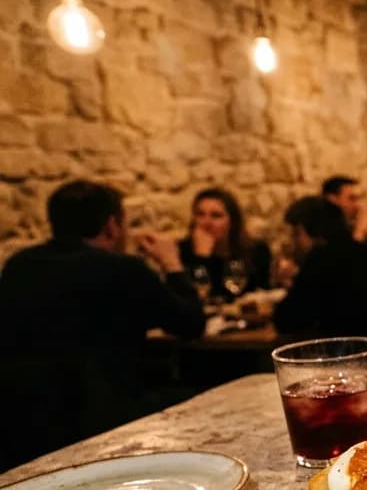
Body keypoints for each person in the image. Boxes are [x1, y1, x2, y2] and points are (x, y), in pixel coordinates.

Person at [0, 180, 205, 470]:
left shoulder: (19, 265)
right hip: (108, 416)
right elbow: (191, 324)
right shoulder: (121, 269)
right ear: (111, 225)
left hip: (25, 424)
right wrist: (172, 264)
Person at [274, 197, 367, 369]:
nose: (294, 242)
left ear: (313, 232)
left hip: (346, 365)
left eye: (296, 234)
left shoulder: (319, 259)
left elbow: (285, 319)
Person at [179, 187, 272, 301]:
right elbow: (188, 298)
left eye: (216, 216)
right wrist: (202, 259)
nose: (206, 222)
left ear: (232, 222)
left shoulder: (256, 250)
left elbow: (262, 295)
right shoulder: (182, 252)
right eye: (200, 214)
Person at [321, 176, 367, 250]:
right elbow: (345, 259)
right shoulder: (323, 228)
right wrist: (360, 231)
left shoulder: (352, 223)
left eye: (360, 198)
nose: (358, 205)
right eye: (352, 198)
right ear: (333, 199)